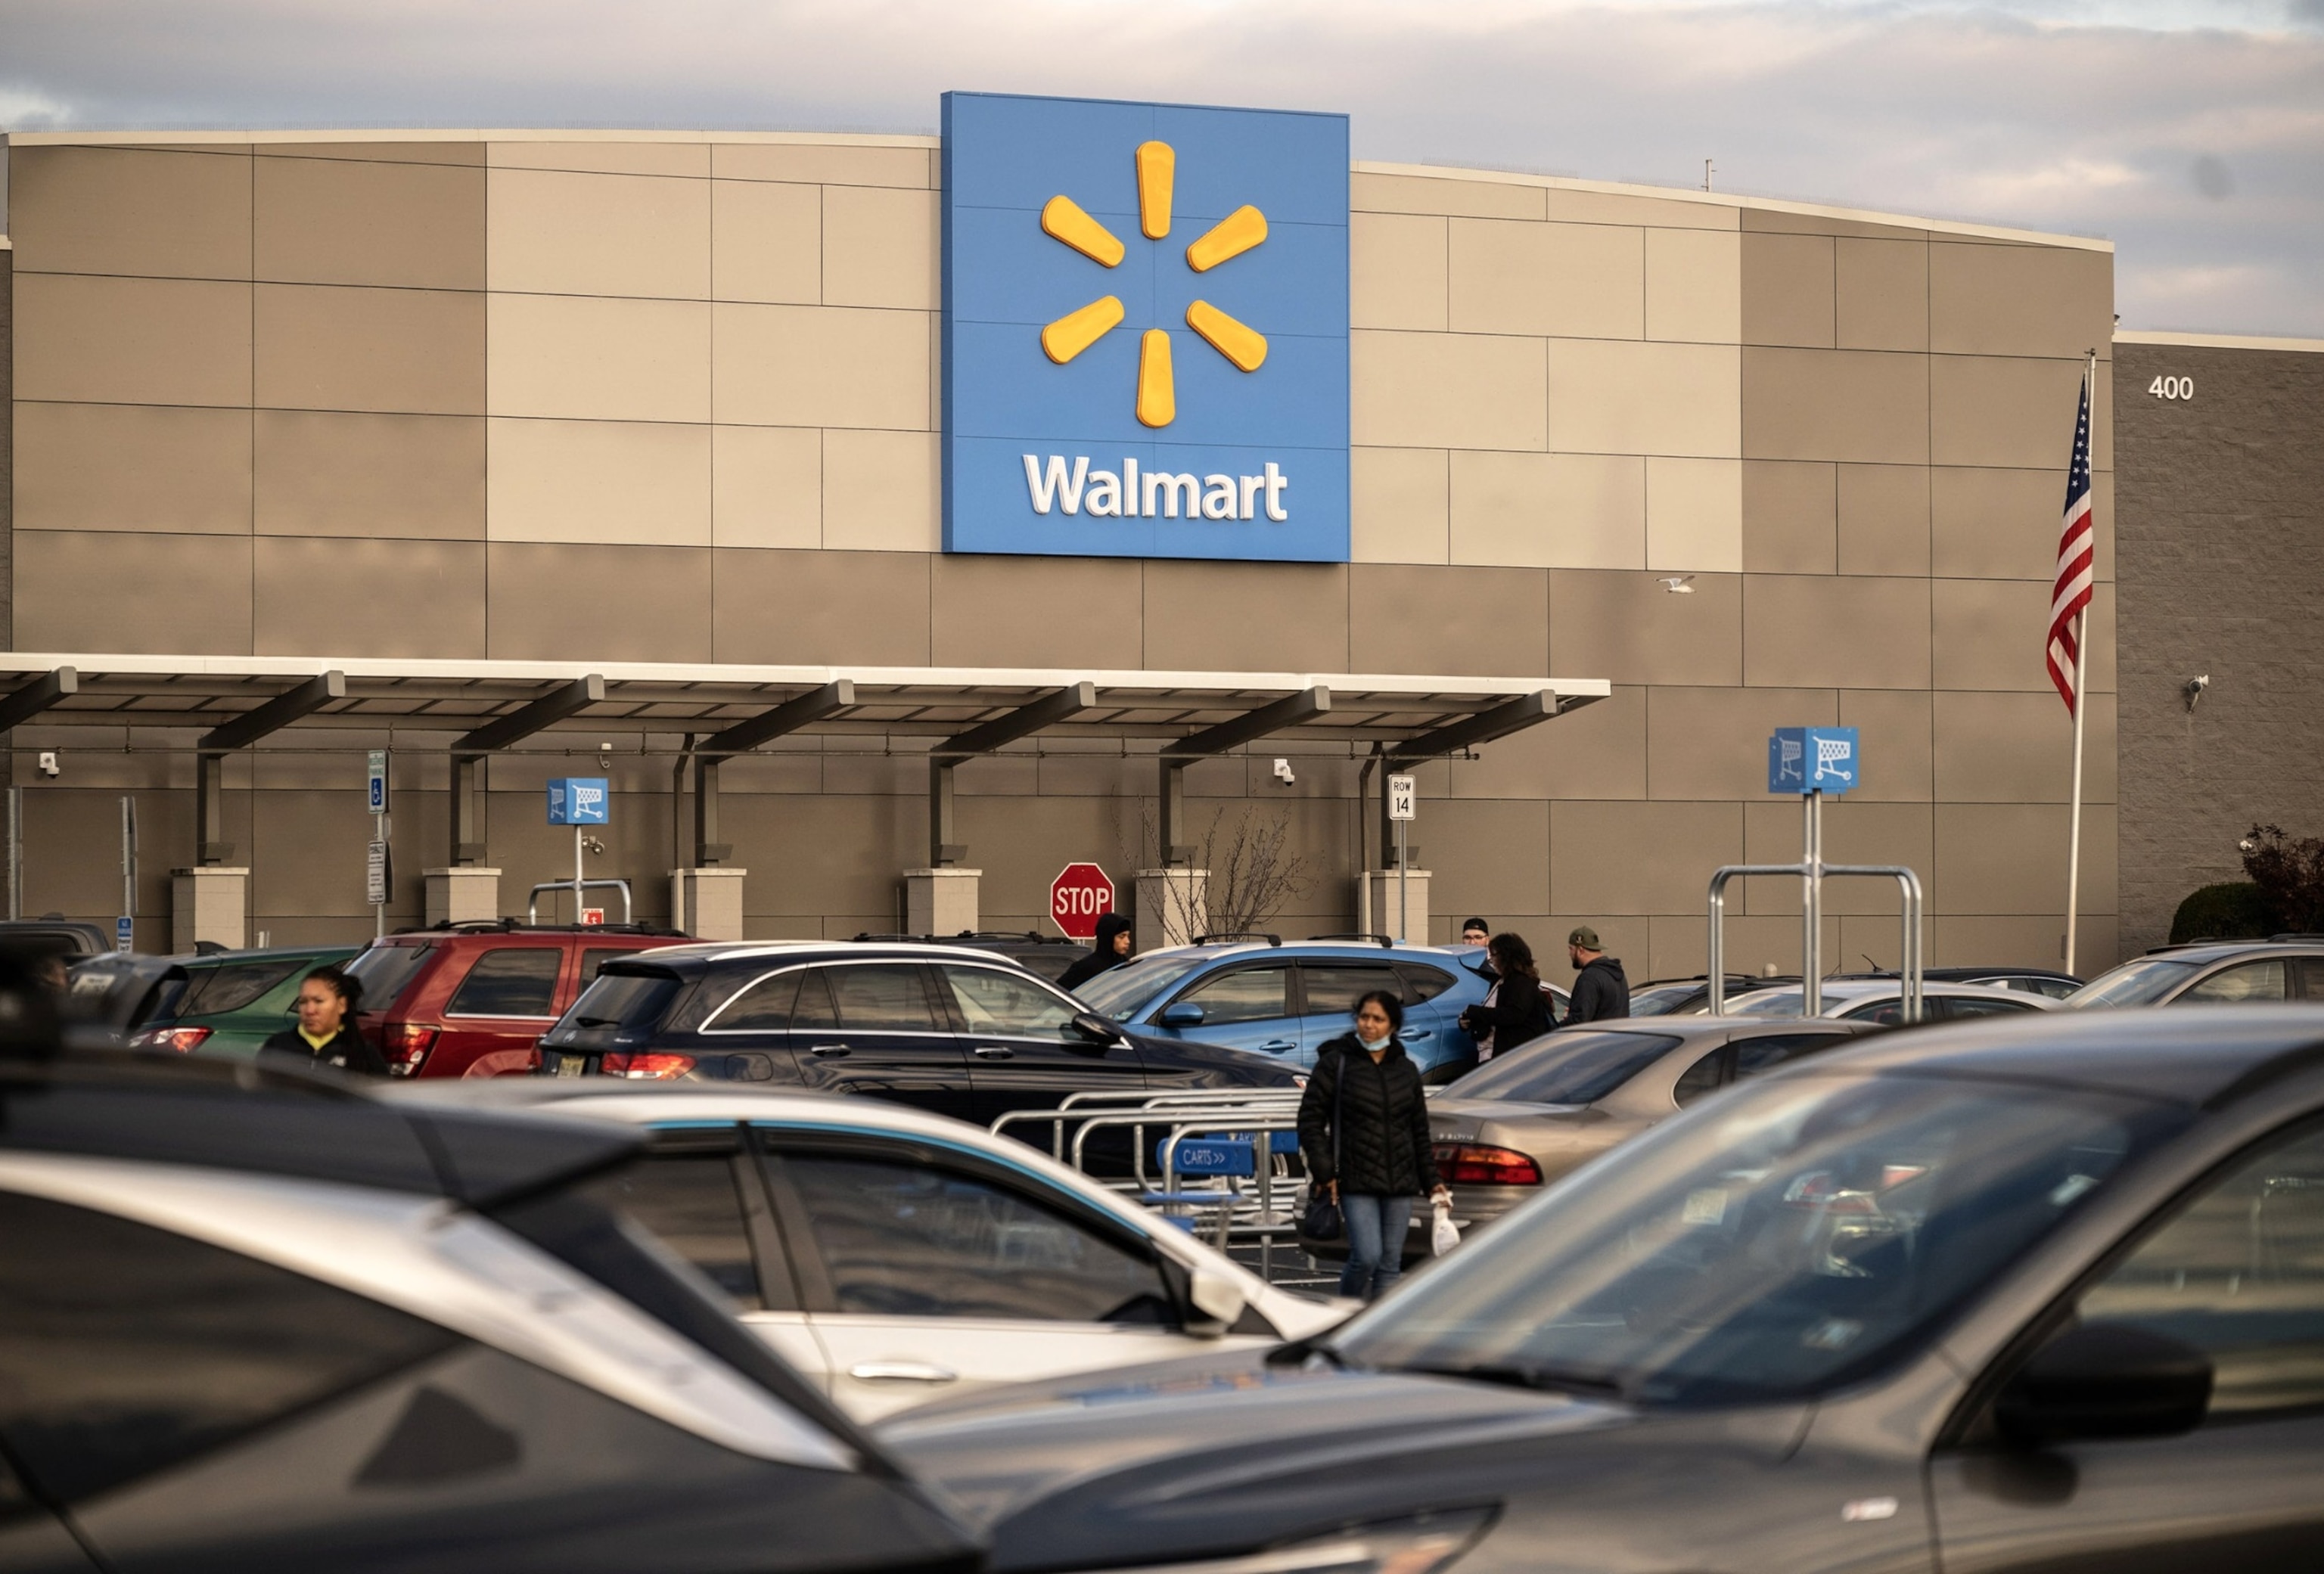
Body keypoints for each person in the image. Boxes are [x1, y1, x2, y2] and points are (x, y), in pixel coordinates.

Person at [1298, 990, 1449, 1300]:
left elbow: (1418, 1130)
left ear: (1392, 1026)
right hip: (1355, 1178)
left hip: (1400, 1180)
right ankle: (1345, 1313)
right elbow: (1310, 1121)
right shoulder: (1336, 1063)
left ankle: (1377, 1338)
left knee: (1390, 1264)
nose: (1368, 1025)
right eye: (1364, 1017)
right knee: (1366, 1256)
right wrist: (1325, 1172)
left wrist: (1432, 1181)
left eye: (1377, 1019)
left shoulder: (1405, 1069)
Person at [259, 964, 388, 1076]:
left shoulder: (364, 1053)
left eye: (318, 1001)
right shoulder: (278, 1046)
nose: (310, 1010)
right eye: (303, 1002)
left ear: (341, 1005)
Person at [1456, 932, 1555, 1062]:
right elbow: (1494, 1013)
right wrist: (1467, 1021)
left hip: (1513, 1058)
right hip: (1494, 1055)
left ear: (1507, 957)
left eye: (1494, 955)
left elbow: (1513, 1014)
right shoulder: (1500, 982)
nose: (1491, 961)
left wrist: (1475, 1012)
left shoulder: (1522, 983)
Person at [1562, 926, 1631, 1025]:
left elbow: (1580, 1021)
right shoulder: (1618, 974)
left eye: (1571, 949)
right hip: (1617, 1039)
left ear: (1580, 950)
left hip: (1595, 1040)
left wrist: (1565, 1022)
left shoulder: (1589, 978)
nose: (1569, 954)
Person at [1057, 911, 1132, 992]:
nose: (1127, 941)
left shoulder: (1126, 964)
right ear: (1108, 938)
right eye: (1121, 937)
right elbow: (1059, 993)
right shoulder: (1086, 967)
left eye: (1128, 936)